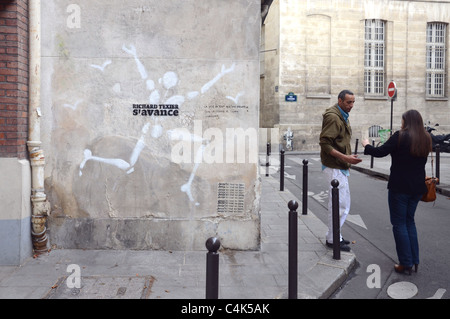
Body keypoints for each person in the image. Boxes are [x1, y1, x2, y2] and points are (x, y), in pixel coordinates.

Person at [362, 109, 432, 275]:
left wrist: (366, 145)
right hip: (417, 188)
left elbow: (380, 152)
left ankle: (405, 262)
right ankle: (414, 260)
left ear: (405, 122)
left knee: (399, 224)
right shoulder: (426, 138)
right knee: (410, 222)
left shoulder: (400, 136)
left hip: (400, 187)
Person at [319, 90, 362, 252]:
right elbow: (325, 143)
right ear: (340, 100)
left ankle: (334, 235)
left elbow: (339, 141)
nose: (351, 105)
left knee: (341, 203)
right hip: (334, 166)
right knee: (340, 204)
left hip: (338, 165)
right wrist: (346, 158)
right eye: (348, 102)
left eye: (353, 102)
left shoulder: (341, 114)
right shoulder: (333, 117)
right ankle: (332, 239)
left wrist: (347, 156)